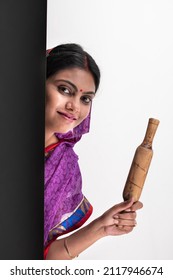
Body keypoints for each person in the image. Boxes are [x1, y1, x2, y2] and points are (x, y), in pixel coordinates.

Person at [44, 43, 143, 260]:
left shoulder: (65, 168)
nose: (74, 106)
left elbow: (42, 258)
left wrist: (101, 227)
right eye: (64, 89)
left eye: (85, 98)